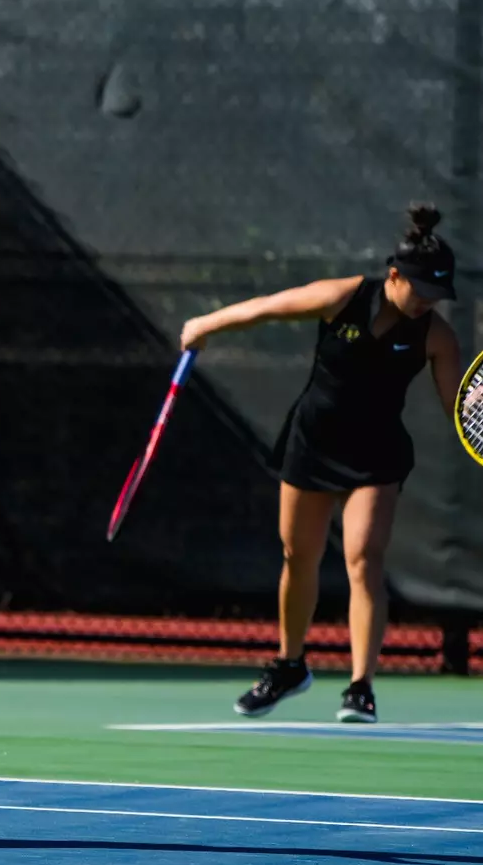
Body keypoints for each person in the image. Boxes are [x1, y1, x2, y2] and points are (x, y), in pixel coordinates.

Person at [179, 204, 463, 723]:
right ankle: (289, 666)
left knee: (363, 559)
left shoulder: (437, 338)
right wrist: (205, 324)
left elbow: (461, 410)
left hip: (377, 455)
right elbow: (267, 307)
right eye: (420, 290)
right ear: (394, 275)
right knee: (297, 556)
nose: (427, 303)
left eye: (437, 296)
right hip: (312, 445)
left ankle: (361, 686)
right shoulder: (343, 297)